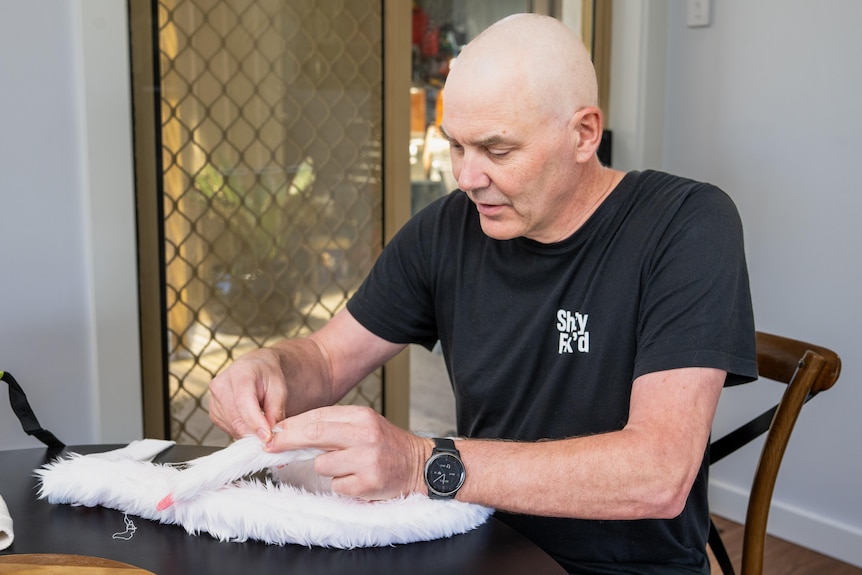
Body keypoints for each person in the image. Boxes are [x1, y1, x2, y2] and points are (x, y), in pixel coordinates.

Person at [208, 13, 756, 574]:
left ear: (584, 134)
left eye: (497, 151)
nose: (467, 178)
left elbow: (657, 474)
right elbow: (326, 359)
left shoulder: (686, 223)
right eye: (456, 147)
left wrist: (422, 462)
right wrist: (268, 364)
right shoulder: (447, 230)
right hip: (475, 543)